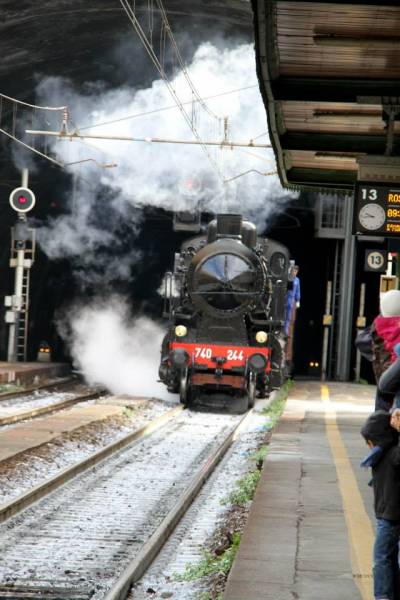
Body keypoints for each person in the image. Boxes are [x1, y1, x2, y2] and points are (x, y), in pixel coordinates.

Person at [361, 410, 400, 600]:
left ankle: (383, 596)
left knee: (381, 559)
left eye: (370, 441)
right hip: (386, 515)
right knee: (390, 558)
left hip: (391, 518)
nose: (369, 446)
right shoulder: (382, 455)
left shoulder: (393, 454)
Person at [285, 265, 300, 371]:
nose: (294, 272)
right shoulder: (288, 278)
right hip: (286, 299)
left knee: (290, 319)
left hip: (292, 300)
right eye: (293, 270)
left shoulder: (297, 280)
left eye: (296, 271)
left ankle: (286, 331)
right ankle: (284, 330)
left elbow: (298, 291)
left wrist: (298, 300)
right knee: (285, 316)